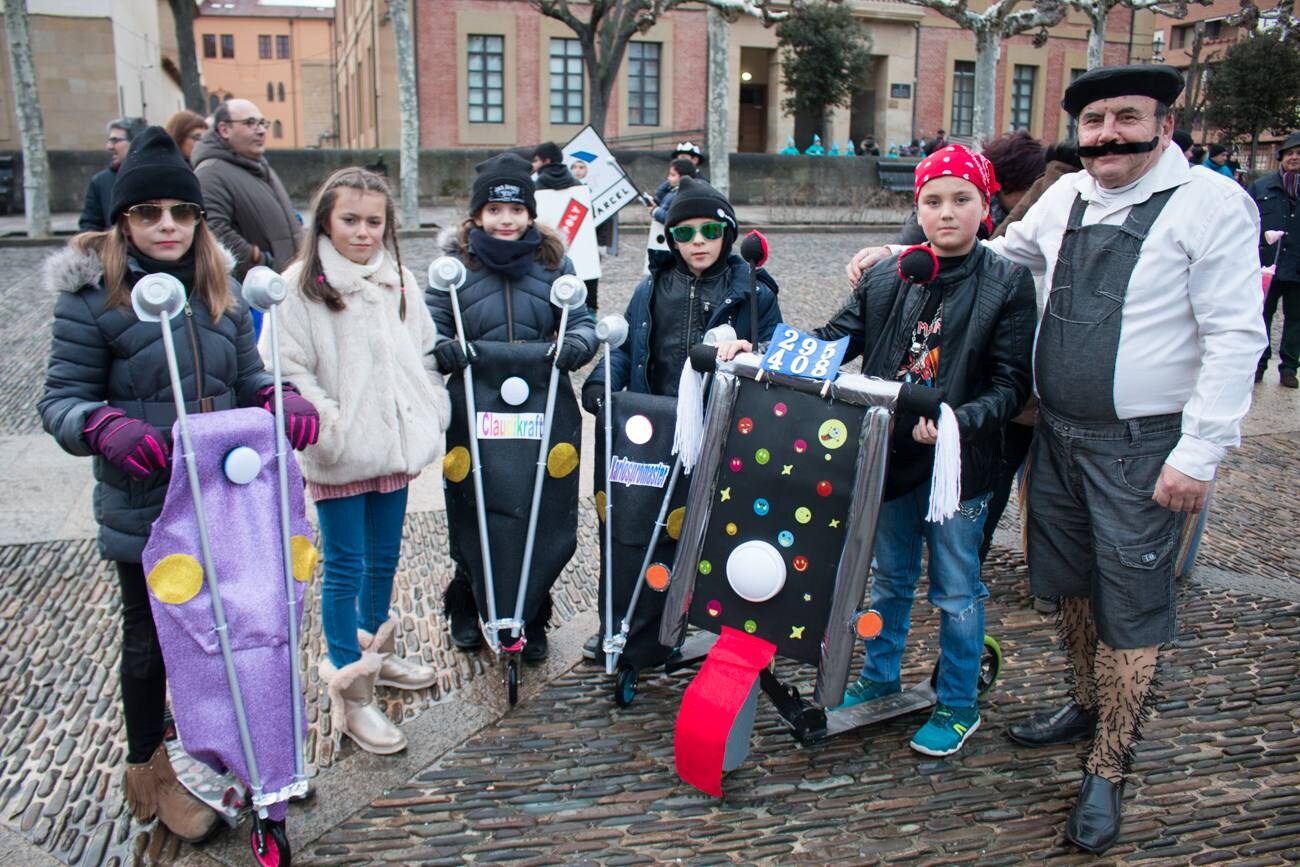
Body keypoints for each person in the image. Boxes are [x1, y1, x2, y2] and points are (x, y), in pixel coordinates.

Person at [845, 64, 1266, 854]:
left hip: (1146, 447)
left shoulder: (1213, 205)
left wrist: (1199, 452)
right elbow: (997, 251)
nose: (1108, 134)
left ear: (1164, 125)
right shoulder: (1069, 197)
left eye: (1126, 118)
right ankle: (1082, 703)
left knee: (1132, 605)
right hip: (1059, 439)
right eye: (1095, 120)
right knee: (1071, 584)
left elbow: (1238, 337)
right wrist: (899, 251)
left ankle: (1108, 769)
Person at [39, 127, 318, 843]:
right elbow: (61, 399)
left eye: (181, 212)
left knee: (243, 628)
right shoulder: (93, 300)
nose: (167, 225)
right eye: (149, 212)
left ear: (198, 219)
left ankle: (252, 750)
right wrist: (102, 426)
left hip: (229, 505)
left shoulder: (217, 294)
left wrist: (280, 402)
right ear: (122, 219)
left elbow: (251, 381)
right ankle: (150, 772)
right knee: (153, 641)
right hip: (149, 508)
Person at [718, 144, 1033, 756]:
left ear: (984, 204)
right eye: (933, 201)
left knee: (954, 586)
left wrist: (956, 420)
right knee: (888, 577)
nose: (946, 214)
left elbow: (1011, 382)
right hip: (886, 459)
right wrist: (755, 351)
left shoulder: (1008, 282)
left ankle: (959, 701)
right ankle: (880, 673)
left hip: (958, 468)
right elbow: (833, 341)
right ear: (917, 208)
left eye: (960, 200)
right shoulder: (890, 275)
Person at [266, 168, 449, 755]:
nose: (363, 233)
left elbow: (424, 350)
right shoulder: (299, 287)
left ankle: (376, 657)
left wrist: (429, 406)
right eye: (350, 220)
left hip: (393, 445)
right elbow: (285, 368)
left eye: (374, 221)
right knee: (345, 566)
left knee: (385, 557)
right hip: (339, 452)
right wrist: (329, 428)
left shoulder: (398, 280)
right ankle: (352, 691)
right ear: (325, 220)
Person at [579, 176, 785, 662]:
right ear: (670, 238)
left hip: (720, 431)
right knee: (639, 530)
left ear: (727, 233)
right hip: (653, 430)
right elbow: (626, 347)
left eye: (709, 231)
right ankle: (630, 625)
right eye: (685, 233)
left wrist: (751, 350)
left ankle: (698, 621)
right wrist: (599, 382)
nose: (698, 242)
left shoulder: (754, 293)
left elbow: (780, 353)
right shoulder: (650, 287)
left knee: (707, 534)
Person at [428, 153, 597, 661]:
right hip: (476, 405)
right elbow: (431, 324)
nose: (506, 219)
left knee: (536, 503)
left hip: (540, 406)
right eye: (495, 209)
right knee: (476, 501)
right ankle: (467, 598)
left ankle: (531, 610)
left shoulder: (554, 265)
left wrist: (576, 348)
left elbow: (583, 321)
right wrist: (442, 349)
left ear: (529, 212)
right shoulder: (455, 269)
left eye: (516, 209)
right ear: (477, 215)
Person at [192, 99, 302, 278]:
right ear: (224, 129)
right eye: (250, 123)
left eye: (262, 123)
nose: (261, 130)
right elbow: (214, 230)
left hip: (284, 280)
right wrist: (259, 260)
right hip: (256, 288)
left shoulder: (259, 167)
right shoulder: (210, 173)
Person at [895, 130, 1045, 245]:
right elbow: (909, 252)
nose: (947, 214)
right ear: (1006, 183)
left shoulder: (1027, 218)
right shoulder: (940, 217)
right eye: (1029, 188)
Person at [1251, 130, 1300, 388]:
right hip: (1266, 265)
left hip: (1298, 266)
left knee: (1295, 319)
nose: (1294, 158)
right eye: (1290, 153)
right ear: (1281, 157)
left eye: (1299, 154)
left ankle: (1289, 367)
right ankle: (1259, 363)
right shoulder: (1262, 186)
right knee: (1261, 316)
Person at [532, 141, 603, 310]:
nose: (533, 164)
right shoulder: (579, 187)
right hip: (584, 265)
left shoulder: (534, 188)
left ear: (546, 161)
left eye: (535, 160)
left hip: (547, 262)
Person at [79, 117, 146, 231]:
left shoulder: (158, 177)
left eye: (115, 140)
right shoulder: (100, 181)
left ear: (135, 142)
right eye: (109, 141)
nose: (109, 146)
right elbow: (89, 226)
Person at [651, 158, 699, 226]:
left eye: (673, 175)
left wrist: (655, 211)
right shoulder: (673, 190)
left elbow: (672, 218)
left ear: (683, 177)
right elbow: (660, 194)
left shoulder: (682, 195)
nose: (668, 178)